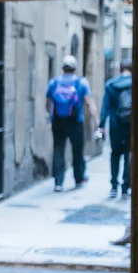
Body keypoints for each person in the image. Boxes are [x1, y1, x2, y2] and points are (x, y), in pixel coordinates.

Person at [46, 54, 93, 192]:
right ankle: (78, 178)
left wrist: (51, 116)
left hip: (58, 121)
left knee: (58, 149)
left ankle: (58, 182)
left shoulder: (54, 82)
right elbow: (88, 102)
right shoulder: (82, 82)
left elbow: (48, 102)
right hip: (76, 121)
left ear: (62, 68)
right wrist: (96, 120)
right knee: (77, 150)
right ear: (75, 68)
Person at [99, 58, 133, 199]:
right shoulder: (136, 84)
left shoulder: (110, 85)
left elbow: (105, 108)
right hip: (131, 124)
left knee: (115, 154)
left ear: (120, 69)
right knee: (128, 155)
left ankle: (114, 185)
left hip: (115, 125)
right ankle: (125, 186)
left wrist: (101, 125)